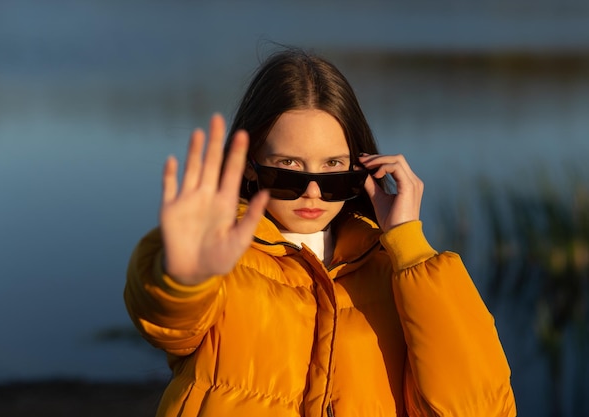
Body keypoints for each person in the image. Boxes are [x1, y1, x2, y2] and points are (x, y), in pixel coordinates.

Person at [124, 47, 516, 417]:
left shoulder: (395, 272)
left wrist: (410, 246)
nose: (313, 191)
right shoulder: (220, 254)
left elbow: (478, 406)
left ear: (361, 169)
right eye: (288, 167)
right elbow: (169, 324)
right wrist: (183, 277)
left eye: (333, 168)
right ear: (248, 166)